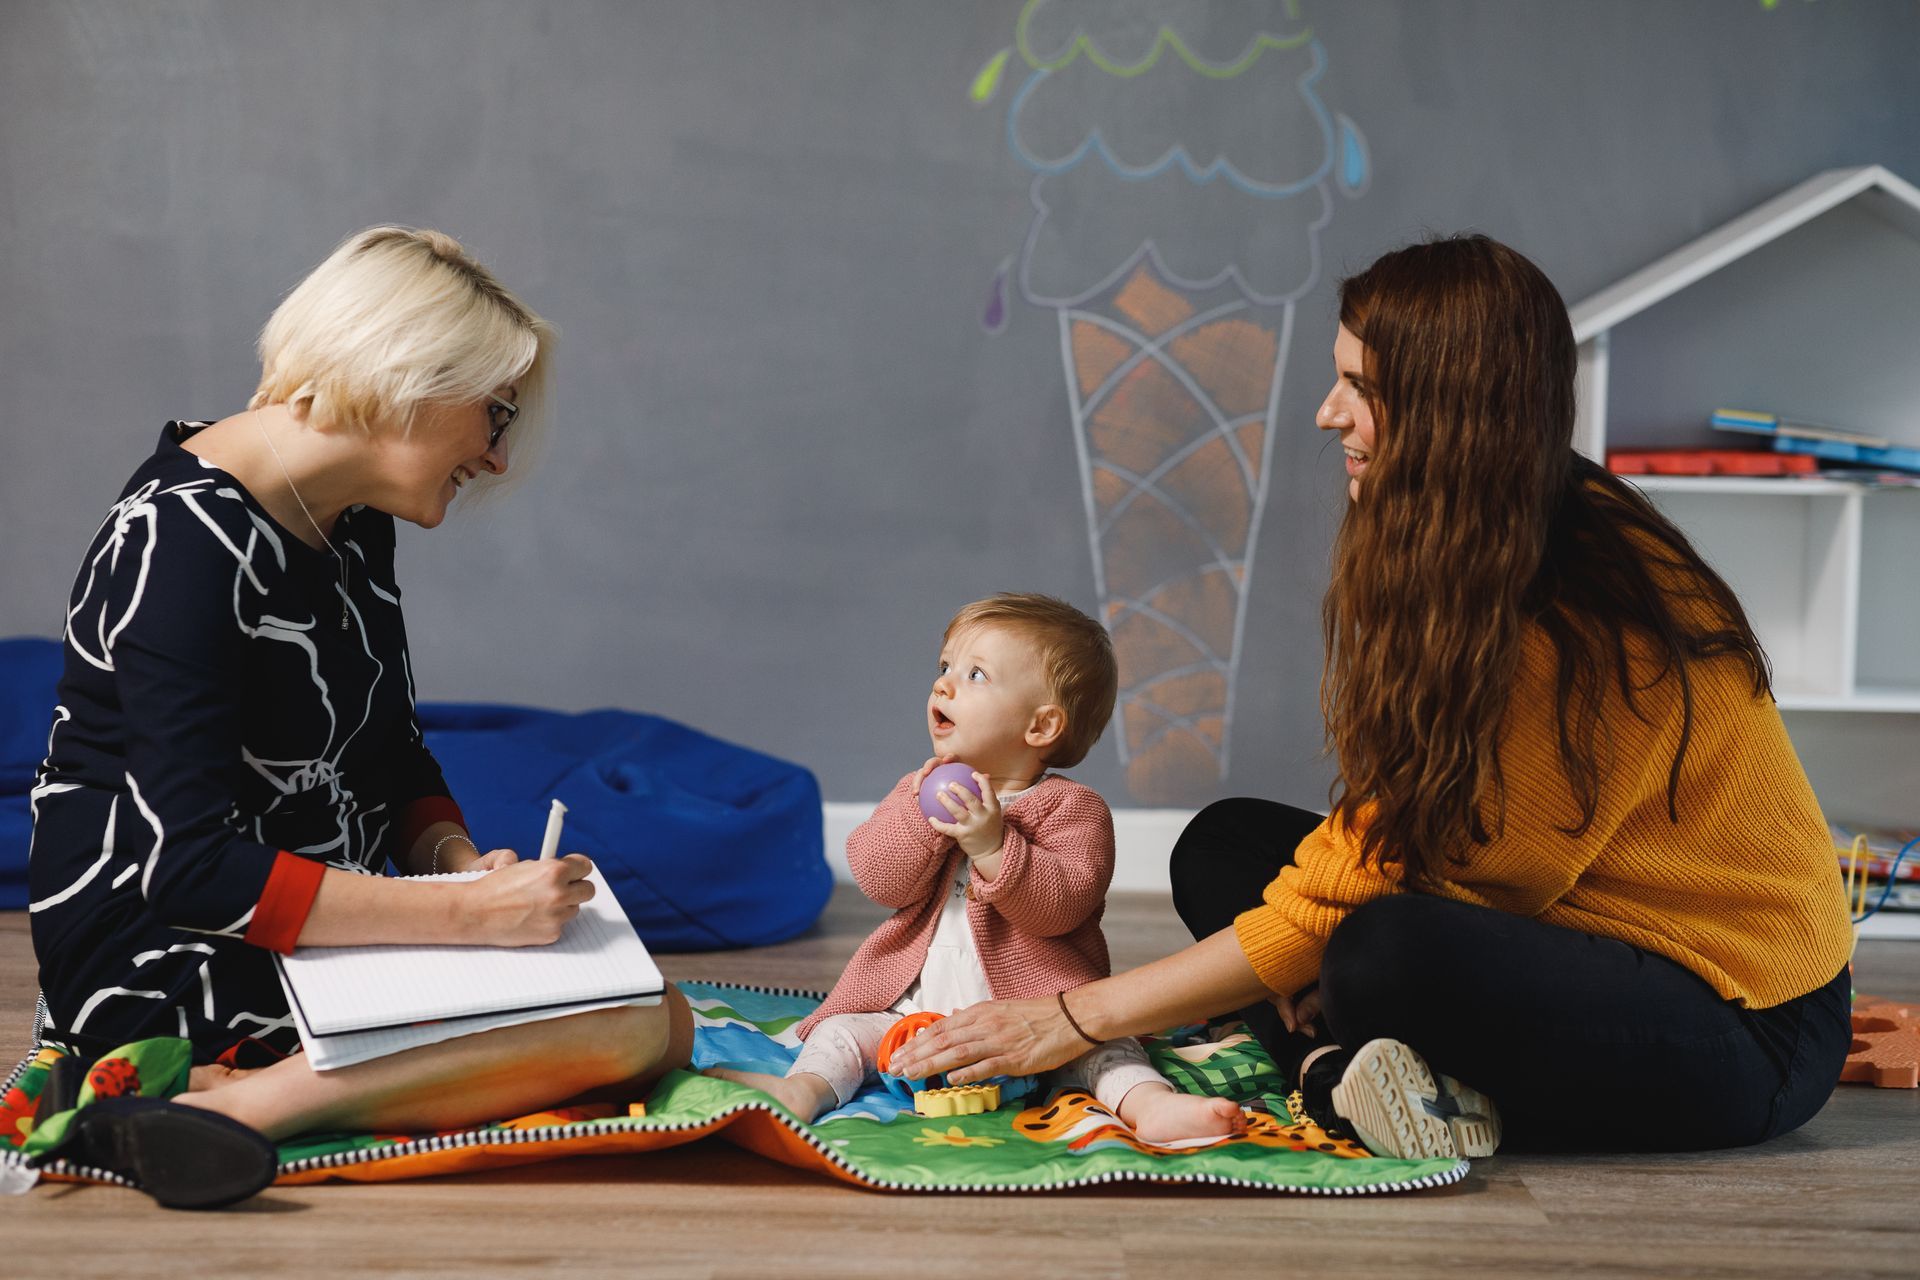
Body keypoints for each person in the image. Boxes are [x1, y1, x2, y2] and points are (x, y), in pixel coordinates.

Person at [889, 235, 1854, 1160]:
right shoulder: (1484, 521)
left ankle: (1333, 1068)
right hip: (1559, 926)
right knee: (1223, 846)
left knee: (1379, 953)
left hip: (1745, 1023)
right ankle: (1350, 1073)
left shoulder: (1579, 619)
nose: (1327, 413)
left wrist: (1066, 1020)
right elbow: (1384, 845)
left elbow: (1393, 879)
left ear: (1451, 415)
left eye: (1362, 388)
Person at [27, 227, 692, 1207]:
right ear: (409, 374)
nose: (499, 458)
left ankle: (227, 1097)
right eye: (493, 415)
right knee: (628, 1024)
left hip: (312, 927)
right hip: (172, 945)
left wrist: (462, 866)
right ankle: (232, 1108)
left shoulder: (348, 520)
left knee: (653, 1015)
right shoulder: (180, 543)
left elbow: (391, 749)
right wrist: (462, 918)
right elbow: (191, 869)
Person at [707, 593, 1243, 1141]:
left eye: (976, 674)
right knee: (842, 1033)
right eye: (944, 668)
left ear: (1040, 727)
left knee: (1107, 1048)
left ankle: (1150, 1106)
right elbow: (878, 878)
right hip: (911, 1015)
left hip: (1038, 1017)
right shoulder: (918, 789)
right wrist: (921, 817)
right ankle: (804, 1090)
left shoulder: (1073, 810)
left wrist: (994, 846)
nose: (943, 684)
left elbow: (1059, 908)